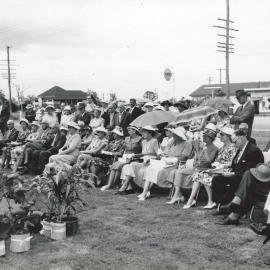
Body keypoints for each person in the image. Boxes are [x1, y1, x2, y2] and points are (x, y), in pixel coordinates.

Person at [184, 126, 237, 209]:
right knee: (199, 174)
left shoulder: (233, 148)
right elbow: (214, 160)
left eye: (222, 135)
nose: (220, 137)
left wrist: (220, 165)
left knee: (202, 175)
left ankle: (206, 201)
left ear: (227, 137)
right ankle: (192, 200)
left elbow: (233, 162)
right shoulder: (222, 147)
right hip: (217, 169)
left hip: (225, 170)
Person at [138, 126, 193, 201]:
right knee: (151, 167)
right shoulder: (172, 142)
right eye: (174, 134)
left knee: (157, 170)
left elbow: (183, 158)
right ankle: (145, 192)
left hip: (176, 163)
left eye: (176, 135)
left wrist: (171, 158)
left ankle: (145, 193)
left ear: (180, 136)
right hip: (166, 161)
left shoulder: (187, 144)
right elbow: (166, 152)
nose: (174, 136)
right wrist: (163, 155)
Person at [168, 126, 219, 205]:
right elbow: (198, 158)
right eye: (203, 136)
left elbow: (209, 161)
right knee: (179, 171)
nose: (203, 137)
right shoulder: (202, 146)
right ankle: (176, 195)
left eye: (205, 136)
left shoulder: (214, 148)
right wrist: (197, 149)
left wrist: (204, 150)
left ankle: (188, 199)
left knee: (189, 172)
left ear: (209, 138)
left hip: (204, 169)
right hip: (196, 168)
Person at [212, 129, 264, 206]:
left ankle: (230, 204)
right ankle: (220, 202)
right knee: (216, 179)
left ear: (242, 137)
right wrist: (226, 169)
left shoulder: (253, 150)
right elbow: (235, 164)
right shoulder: (240, 149)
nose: (234, 144)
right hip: (236, 173)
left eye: (235, 142)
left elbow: (250, 169)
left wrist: (233, 173)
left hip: (246, 177)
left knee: (235, 179)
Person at [116, 125, 159, 195]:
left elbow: (157, 154)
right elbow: (142, 153)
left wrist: (148, 156)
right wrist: (135, 155)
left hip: (150, 162)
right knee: (129, 166)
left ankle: (124, 187)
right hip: (143, 161)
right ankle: (126, 186)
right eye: (143, 132)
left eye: (145, 132)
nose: (142, 134)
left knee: (132, 165)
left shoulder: (154, 141)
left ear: (150, 133)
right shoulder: (143, 142)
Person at [101, 125, 142, 191]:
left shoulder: (140, 139)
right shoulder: (126, 138)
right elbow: (124, 150)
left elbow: (142, 152)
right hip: (126, 157)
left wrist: (134, 155)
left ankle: (112, 185)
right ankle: (109, 184)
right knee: (115, 165)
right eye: (128, 130)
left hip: (135, 158)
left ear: (134, 131)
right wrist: (124, 156)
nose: (128, 132)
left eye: (130, 130)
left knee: (119, 166)